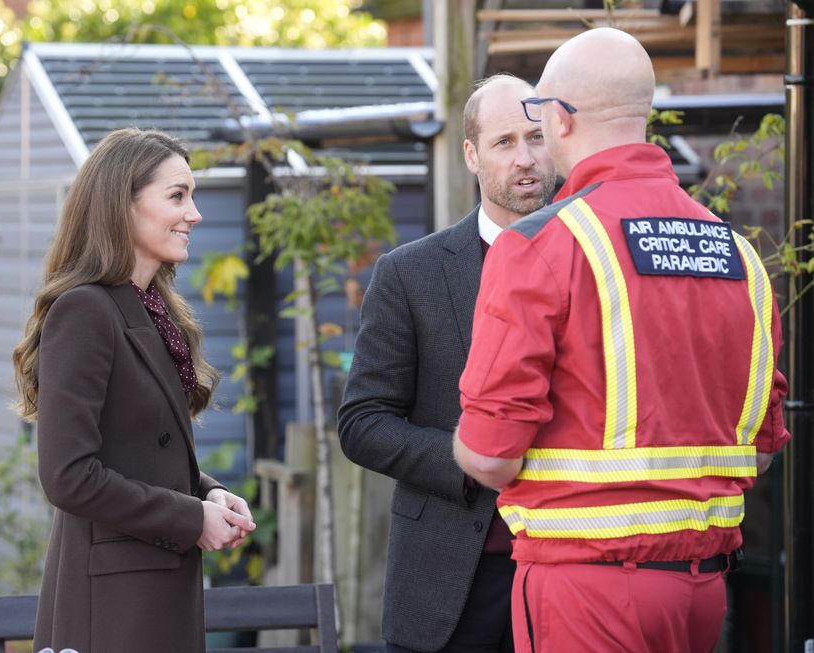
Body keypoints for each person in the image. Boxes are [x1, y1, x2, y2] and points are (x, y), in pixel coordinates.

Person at [453, 28, 790, 653]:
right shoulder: (739, 255)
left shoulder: (541, 246)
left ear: (561, 118)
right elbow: (763, 449)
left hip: (587, 589)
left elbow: (490, 456)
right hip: (704, 591)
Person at [12, 128, 256, 653]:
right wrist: (192, 518)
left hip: (154, 590)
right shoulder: (85, 310)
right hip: (114, 611)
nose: (194, 214)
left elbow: (141, 449)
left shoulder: (148, 309)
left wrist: (206, 491)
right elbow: (68, 476)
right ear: (122, 205)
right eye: (177, 196)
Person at [338, 74, 556, 653]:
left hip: (572, 569)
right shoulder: (410, 273)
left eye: (536, 138)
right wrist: (473, 462)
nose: (526, 158)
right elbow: (362, 423)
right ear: (471, 154)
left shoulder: (596, 258)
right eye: (504, 142)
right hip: (450, 580)